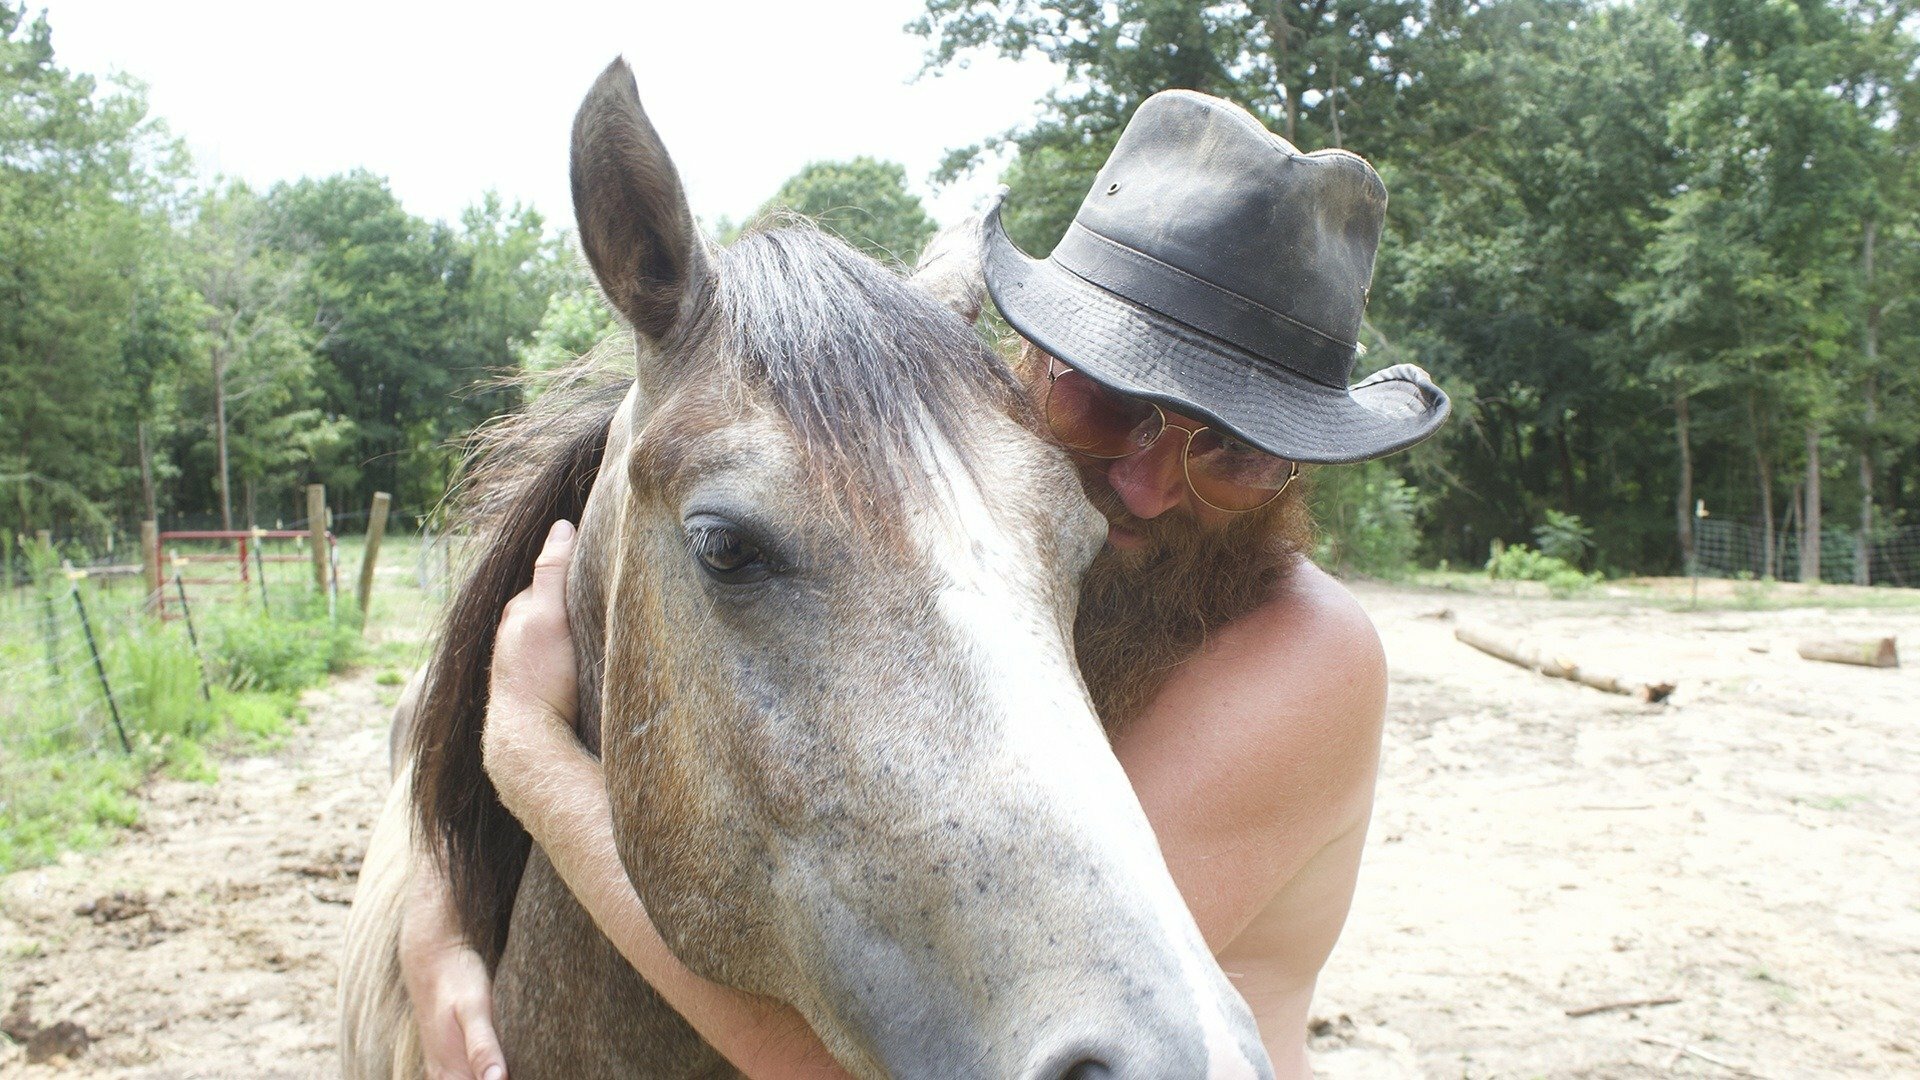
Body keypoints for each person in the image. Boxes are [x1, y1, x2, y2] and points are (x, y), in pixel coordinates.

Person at [400, 88, 1447, 1080]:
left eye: (1237, 451)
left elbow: (834, 1062)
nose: (1143, 481)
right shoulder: (980, 549)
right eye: (1110, 400)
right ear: (1032, 358)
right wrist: (437, 910)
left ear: (1291, 473)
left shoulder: (1308, 660)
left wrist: (533, 761)